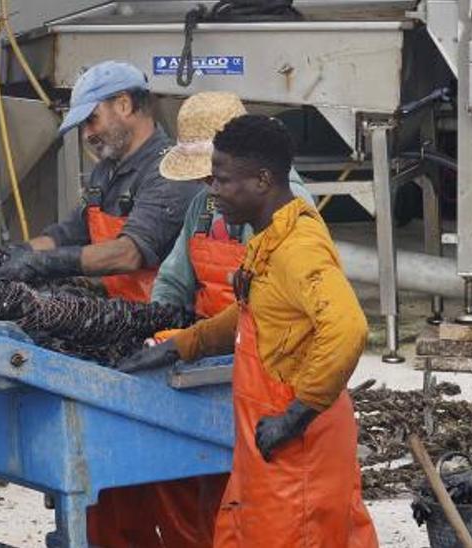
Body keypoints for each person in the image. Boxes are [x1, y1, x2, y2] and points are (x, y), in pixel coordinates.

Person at [118, 115, 378, 547]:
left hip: (300, 448)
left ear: (261, 180)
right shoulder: (266, 240)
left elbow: (348, 328)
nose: (213, 190)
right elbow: (254, 314)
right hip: (265, 445)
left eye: (222, 180)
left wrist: (297, 414)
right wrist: (184, 345)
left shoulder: (298, 249)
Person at [0, 61, 200, 304]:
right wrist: (17, 253)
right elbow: (71, 233)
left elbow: (128, 254)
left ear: (124, 105)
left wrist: (41, 263)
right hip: (116, 309)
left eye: (92, 119)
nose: (86, 135)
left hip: (158, 318)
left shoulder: (169, 173)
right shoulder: (107, 169)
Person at [149, 92, 316, 321]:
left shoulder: (289, 205)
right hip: (210, 341)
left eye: (213, 176)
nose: (206, 185)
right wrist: (158, 323)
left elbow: (282, 305)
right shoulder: (202, 205)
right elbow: (172, 281)